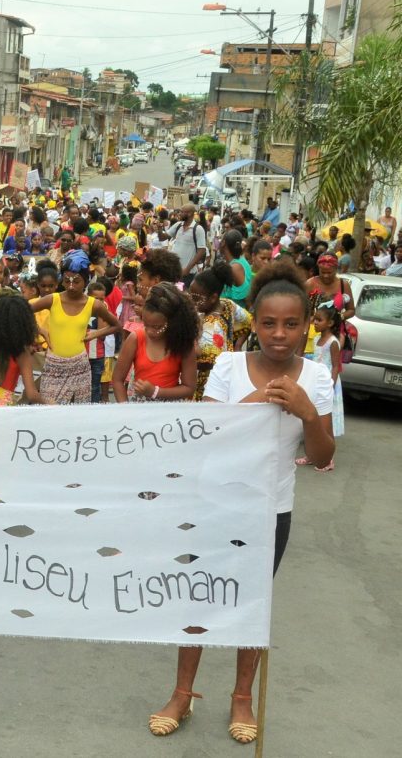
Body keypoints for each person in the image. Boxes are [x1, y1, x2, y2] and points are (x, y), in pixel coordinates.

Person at [148, 261, 334, 745]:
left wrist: (307, 413)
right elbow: (208, 435)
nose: (279, 334)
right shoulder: (229, 366)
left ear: (306, 325)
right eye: (269, 323)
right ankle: (182, 693)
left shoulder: (316, 377)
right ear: (254, 321)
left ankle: (242, 698)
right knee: (199, 596)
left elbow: (322, 456)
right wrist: (258, 401)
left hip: (270, 510)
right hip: (213, 504)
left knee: (252, 601)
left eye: (291, 324)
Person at [30, 251, 120, 404]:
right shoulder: (53, 299)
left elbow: (116, 325)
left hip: (80, 367)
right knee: (49, 410)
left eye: (76, 281)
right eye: (67, 281)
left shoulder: (93, 304)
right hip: (53, 366)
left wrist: (95, 334)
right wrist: (40, 330)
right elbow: (22, 311)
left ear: (86, 280)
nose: (71, 286)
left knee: (79, 412)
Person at [112, 283, 199, 403]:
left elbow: (189, 388)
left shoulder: (183, 344)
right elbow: (117, 380)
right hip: (138, 408)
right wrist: (126, 409)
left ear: (173, 322)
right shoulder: (136, 338)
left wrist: (155, 392)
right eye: (146, 324)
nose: (149, 331)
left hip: (169, 409)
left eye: (157, 327)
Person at [190, 263, 251, 400]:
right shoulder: (228, 304)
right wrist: (237, 345)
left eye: (197, 299)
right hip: (228, 377)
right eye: (191, 296)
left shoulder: (209, 328)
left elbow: (204, 361)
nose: (192, 303)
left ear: (213, 298)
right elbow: (249, 321)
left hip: (206, 388)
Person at [296, 300, 344, 470]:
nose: (315, 322)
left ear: (330, 323)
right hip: (316, 384)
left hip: (327, 385)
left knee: (325, 423)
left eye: (319, 320)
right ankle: (311, 455)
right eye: (314, 319)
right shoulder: (316, 339)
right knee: (313, 420)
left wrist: (330, 386)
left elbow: (336, 366)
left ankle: (328, 460)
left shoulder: (333, 342)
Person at [85, 281, 116, 403]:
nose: (98, 302)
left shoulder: (104, 312)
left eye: (101, 299)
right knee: (83, 385)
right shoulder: (82, 309)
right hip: (82, 354)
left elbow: (102, 336)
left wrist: (101, 313)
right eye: (95, 298)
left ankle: (94, 408)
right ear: (88, 297)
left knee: (95, 386)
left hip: (97, 355)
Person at [166, 205, 207, 281]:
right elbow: (164, 237)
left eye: (182, 212)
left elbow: (201, 250)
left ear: (189, 213)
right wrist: (159, 228)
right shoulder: (178, 225)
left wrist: (187, 269)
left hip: (187, 273)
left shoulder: (198, 229)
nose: (179, 214)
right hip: (173, 270)